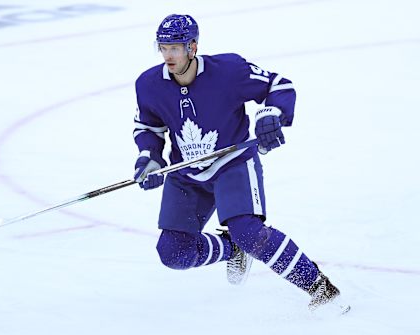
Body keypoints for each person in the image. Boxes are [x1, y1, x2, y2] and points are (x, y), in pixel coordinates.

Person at [132, 14, 349, 313]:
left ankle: (321, 289)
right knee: (173, 252)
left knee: (248, 231)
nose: (168, 55)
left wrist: (272, 114)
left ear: (192, 47)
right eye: (164, 48)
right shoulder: (148, 85)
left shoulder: (229, 71)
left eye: (176, 48)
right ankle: (231, 248)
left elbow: (279, 85)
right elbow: (149, 128)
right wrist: (149, 158)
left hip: (232, 164)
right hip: (186, 173)